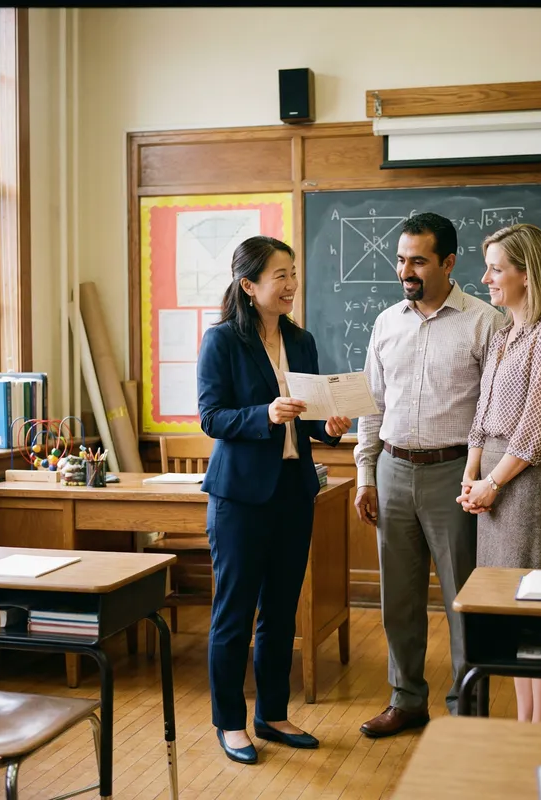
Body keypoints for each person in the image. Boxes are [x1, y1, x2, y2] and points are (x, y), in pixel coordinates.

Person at [197, 235, 351, 765]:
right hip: (240, 496)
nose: (290, 284)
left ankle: (272, 714)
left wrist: (329, 426)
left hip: (293, 490)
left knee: (281, 611)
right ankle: (229, 723)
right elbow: (211, 417)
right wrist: (264, 414)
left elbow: (307, 416)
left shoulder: (301, 341)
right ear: (249, 285)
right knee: (234, 613)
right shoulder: (221, 341)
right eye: (279, 275)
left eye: (293, 273)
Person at [354, 212, 505, 737]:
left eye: (418, 260)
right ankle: (407, 700)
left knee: (464, 597)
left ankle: (468, 708)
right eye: (400, 259)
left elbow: (497, 415)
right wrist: (365, 474)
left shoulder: (485, 322)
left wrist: (482, 479)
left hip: (454, 475)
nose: (406, 270)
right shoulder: (386, 322)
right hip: (393, 470)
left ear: (448, 262)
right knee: (397, 596)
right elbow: (371, 404)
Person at [457, 223, 541, 724]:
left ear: (527, 275)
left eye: (496, 268)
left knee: (536, 615)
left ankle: (540, 734)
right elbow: (482, 418)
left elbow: (535, 429)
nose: (485, 278)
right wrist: (471, 475)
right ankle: (524, 732)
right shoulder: (506, 335)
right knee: (510, 612)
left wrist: (491, 483)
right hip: (493, 487)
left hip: (526, 489)